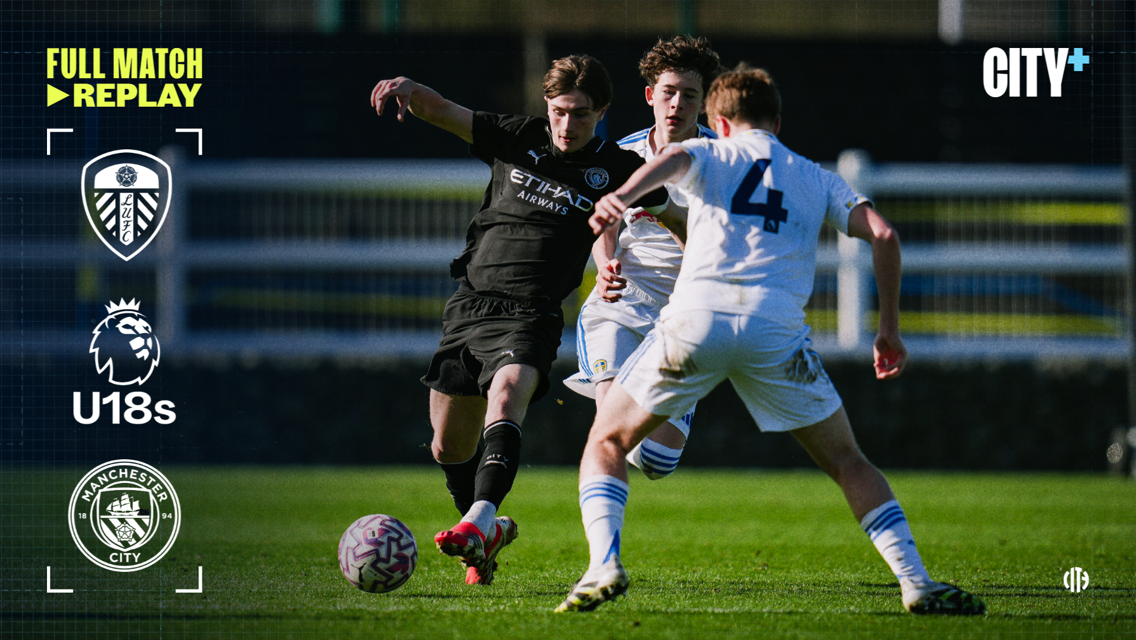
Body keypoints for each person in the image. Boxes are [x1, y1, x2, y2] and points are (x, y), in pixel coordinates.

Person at [555, 65, 985, 615]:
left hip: (696, 323)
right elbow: (885, 235)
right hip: (778, 335)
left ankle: (603, 565)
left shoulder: (710, 153)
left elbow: (670, 161)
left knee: (607, 440)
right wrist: (889, 330)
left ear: (719, 123)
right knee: (848, 461)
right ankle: (916, 582)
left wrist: (621, 195)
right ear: (777, 123)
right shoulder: (815, 176)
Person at [370, 55, 672, 586]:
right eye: (558, 111)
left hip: (531, 313)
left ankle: (479, 520)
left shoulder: (620, 169)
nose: (566, 125)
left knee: (506, 397)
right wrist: (411, 88)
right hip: (470, 303)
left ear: (601, 112)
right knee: (447, 445)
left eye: (580, 114)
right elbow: (443, 111)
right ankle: (485, 536)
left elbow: (679, 219)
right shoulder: (517, 136)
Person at [564, 35, 721, 481]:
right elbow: (604, 222)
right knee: (610, 432)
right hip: (622, 303)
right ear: (651, 96)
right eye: (668, 92)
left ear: (704, 103)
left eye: (689, 95)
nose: (677, 104)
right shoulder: (623, 155)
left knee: (654, 462)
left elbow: (716, 251)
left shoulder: (723, 161)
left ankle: (672, 400)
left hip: (686, 317)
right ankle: (603, 554)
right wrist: (606, 261)